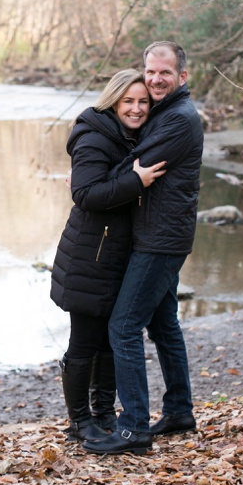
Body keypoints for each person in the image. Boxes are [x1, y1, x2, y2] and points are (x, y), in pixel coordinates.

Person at [83, 41, 204, 456]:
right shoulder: (166, 111)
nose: (155, 79)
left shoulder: (180, 119)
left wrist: (92, 183)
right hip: (162, 235)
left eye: (164, 73)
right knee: (164, 325)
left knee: (123, 326)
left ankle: (134, 429)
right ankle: (180, 410)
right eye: (150, 71)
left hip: (159, 240)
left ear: (182, 77)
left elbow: (137, 163)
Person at [50, 69, 166, 443]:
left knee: (110, 341)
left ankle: (102, 413)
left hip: (117, 253)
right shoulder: (94, 137)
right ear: (113, 101)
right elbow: (84, 194)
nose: (135, 108)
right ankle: (79, 421)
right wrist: (136, 182)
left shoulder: (132, 136)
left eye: (142, 102)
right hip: (90, 254)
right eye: (128, 101)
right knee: (84, 342)